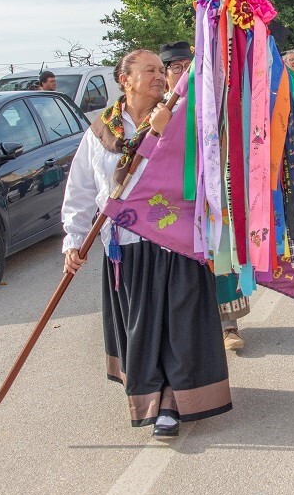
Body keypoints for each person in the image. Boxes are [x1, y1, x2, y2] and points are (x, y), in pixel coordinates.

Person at [61, 49, 232, 438]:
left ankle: (171, 403)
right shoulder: (100, 130)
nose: (159, 76)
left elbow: (200, 166)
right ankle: (151, 396)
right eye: (150, 70)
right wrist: (73, 240)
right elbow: (82, 189)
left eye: (162, 70)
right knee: (143, 326)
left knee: (180, 321)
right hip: (125, 244)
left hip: (175, 240)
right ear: (126, 79)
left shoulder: (182, 118)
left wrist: (164, 131)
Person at [160, 40, 248, 351]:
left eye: (189, 67)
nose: (184, 73)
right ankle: (194, 327)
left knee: (220, 252)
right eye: (176, 69)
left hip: (211, 195)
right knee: (185, 265)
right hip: (175, 201)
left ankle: (228, 325)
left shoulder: (214, 105)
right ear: (167, 75)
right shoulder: (161, 111)